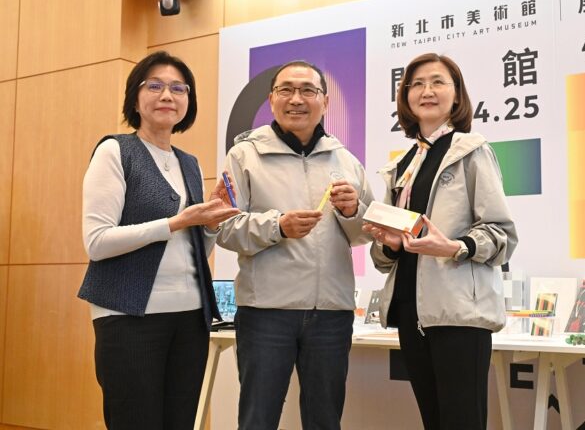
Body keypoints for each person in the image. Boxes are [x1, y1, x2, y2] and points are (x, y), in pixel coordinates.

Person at [78, 51, 239, 430]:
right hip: (128, 316)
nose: (168, 95)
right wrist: (176, 222)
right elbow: (97, 242)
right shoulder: (115, 150)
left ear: (188, 102)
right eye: (155, 86)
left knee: (181, 421)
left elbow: (191, 247)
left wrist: (208, 226)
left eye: (179, 89)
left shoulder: (189, 163)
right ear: (135, 99)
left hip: (191, 316)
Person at [216, 60, 374, 430]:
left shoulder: (347, 160)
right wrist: (278, 226)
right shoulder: (244, 156)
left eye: (307, 90)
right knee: (258, 419)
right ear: (271, 100)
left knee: (325, 420)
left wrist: (353, 211)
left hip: (331, 313)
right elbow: (223, 227)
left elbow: (366, 232)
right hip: (265, 312)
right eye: (285, 90)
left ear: (325, 101)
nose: (296, 99)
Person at [364, 53, 518, 430]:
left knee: (462, 422)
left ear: (457, 94)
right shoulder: (402, 167)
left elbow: (502, 234)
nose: (426, 91)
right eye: (416, 84)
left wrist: (452, 246)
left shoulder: (471, 151)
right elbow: (385, 257)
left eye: (437, 82)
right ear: (405, 96)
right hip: (410, 312)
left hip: (458, 312)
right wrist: (390, 244)